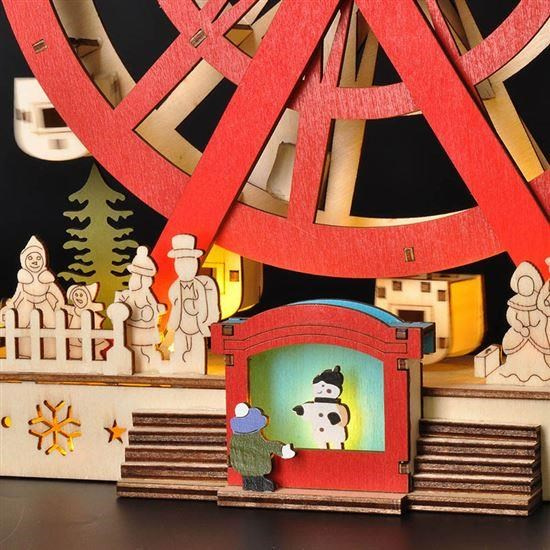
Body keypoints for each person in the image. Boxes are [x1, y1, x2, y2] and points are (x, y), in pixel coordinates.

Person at [1, 236, 65, 358]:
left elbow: (56, 292)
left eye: (38, 258)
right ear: (24, 260)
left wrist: (60, 304)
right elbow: (18, 294)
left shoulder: (46, 278)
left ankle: (52, 352)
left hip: (44, 303)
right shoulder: (24, 279)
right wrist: (12, 303)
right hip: (27, 303)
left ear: (43, 259)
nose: (34, 261)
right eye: (30, 258)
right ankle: (23, 351)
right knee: (21, 326)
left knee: (52, 325)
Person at [167, 234, 220, 374]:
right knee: (181, 346)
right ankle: (181, 367)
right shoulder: (175, 287)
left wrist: (203, 317)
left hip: (197, 324)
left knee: (197, 347)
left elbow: (204, 305)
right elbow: (173, 300)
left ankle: (198, 368)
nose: (185, 267)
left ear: (195, 263)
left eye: (189, 262)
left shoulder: (201, 285)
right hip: (180, 324)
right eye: (181, 263)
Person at [493, 262, 550, 384]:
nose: (526, 287)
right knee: (516, 351)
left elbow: (542, 315)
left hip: (535, 334)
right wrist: (519, 327)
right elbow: (511, 316)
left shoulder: (538, 300)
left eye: (528, 283)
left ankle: (538, 372)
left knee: (537, 355)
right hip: (520, 333)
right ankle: (515, 370)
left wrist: (538, 325)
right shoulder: (515, 302)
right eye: (522, 284)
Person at [115, 246, 166, 372]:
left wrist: (158, 308)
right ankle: (133, 363)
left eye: (141, 277)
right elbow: (118, 308)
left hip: (147, 328)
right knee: (133, 347)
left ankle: (149, 363)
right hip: (132, 328)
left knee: (147, 348)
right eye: (135, 276)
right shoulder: (127, 295)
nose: (137, 280)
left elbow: (155, 307)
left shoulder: (148, 295)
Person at [229, 403, 295, 492]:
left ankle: (248, 484)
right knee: (257, 479)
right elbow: (267, 446)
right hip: (254, 467)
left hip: (243, 467)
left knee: (249, 477)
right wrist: (282, 450)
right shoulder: (253, 440)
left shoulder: (235, 439)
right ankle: (256, 484)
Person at [64, 282, 107, 360]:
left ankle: (96, 355)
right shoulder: (74, 309)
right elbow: (66, 308)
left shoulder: (91, 308)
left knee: (93, 347)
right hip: (75, 332)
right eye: (76, 295)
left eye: (81, 295)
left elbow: (99, 306)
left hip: (90, 331)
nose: (78, 297)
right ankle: (75, 355)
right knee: (75, 347)